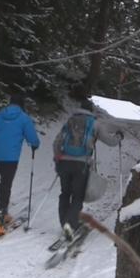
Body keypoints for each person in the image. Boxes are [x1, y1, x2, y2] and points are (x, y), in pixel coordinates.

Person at [53, 98, 123, 241]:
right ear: (91, 110)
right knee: (78, 196)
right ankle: (70, 224)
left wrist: (57, 158)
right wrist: (118, 137)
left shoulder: (70, 121)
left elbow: (57, 141)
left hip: (64, 162)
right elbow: (110, 142)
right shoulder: (95, 123)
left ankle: (64, 222)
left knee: (65, 193)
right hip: (81, 164)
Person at [0, 93, 40, 236]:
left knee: (4, 183)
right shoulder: (24, 118)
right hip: (10, 158)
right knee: (5, 185)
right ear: (22, 104)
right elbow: (33, 138)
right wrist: (34, 145)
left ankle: (4, 213)